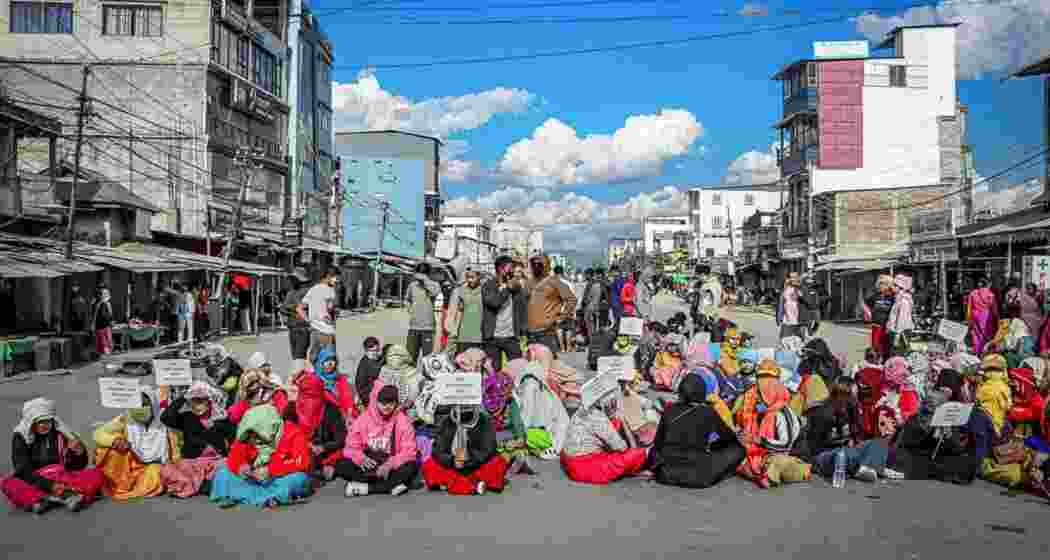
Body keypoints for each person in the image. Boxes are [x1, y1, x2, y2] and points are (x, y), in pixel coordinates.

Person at [3, 398, 103, 514]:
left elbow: (77, 466)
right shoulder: (20, 437)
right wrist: (50, 486)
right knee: (7, 482)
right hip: (36, 480)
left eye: (47, 421)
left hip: (62, 476)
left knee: (96, 473)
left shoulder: (61, 433)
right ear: (31, 422)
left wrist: (79, 453)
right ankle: (65, 496)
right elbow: (22, 469)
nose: (44, 425)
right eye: (40, 422)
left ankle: (48, 499)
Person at [650, 371, 745, 489]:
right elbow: (728, 437)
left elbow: (658, 443)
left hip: (665, 473)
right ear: (702, 392)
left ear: (681, 392)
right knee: (738, 450)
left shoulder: (670, 411)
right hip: (698, 476)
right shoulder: (708, 412)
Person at [209, 404, 312, 508]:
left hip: (278, 479)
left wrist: (270, 470)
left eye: (257, 434)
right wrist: (242, 467)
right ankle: (268, 498)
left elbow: (301, 462)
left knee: (298, 479)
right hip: (253, 479)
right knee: (223, 474)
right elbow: (235, 455)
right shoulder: (248, 433)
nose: (254, 439)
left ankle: (244, 496)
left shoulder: (294, 433)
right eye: (252, 435)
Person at [736, 359, 812, 488]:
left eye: (761, 393)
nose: (757, 396)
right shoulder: (761, 409)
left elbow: (785, 444)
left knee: (776, 462)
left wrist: (757, 440)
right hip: (767, 452)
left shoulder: (781, 413)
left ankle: (767, 473)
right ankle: (764, 472)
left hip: (787, 454)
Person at [94, 386, 178, 500]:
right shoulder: (126, 418)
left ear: (152, 404)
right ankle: (117, 485)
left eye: (143, 405)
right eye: (135, 405)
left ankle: (133, 490)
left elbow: (176, 449)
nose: (139, 409)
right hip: (131, 465)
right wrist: (115, 440)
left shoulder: (164, 419)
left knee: (156, 474)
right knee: (108, 448)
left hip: (154, 466)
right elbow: (98, 433)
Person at [336, 384, 418, 497]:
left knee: (411, 467)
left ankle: (366, 488)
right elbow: (350, 447)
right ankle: (391, 486)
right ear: (376, 401)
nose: (387, 406)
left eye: (391, 403)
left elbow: (409, 452)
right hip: (370, 462)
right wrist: (360, 458)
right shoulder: (363, 419)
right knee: (342, 465)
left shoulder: (403, 421)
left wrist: (390, 464)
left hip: (390, 463)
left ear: (396, 403)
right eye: (382, 402)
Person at [159, 381, 235, 498]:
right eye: (194, 400)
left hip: (215, 461)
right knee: (167, 471)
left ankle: (203, 484)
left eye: (201, 400)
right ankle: (200, 485)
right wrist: (183, 397)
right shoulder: (187, 418)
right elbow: (165, 417)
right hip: (192, 462)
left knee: (227, 469)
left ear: (208, 401)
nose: (197, 404)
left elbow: (232, 438)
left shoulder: (220, 417)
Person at [561, 391, 650, 485]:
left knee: (615, 423)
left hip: (568, 458)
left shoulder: (582, 409)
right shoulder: (599, 418)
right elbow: (621, 447)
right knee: (637, 454)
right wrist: (623, 421)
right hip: (582, 466)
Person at [423, 405, 508, 495]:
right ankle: (475, 484)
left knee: (498, 462)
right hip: (453, 466)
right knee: (429, 465)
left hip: (476, 466)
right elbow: (438, 450)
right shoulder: (446, 421)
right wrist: (452, 461)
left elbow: (488, 449)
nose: (463, 406)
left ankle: (457, 484)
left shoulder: (484, 420)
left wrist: (469, 459)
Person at [482, 255, 527, 371]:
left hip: (511, 337)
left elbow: (522, 308)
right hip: (493, 337)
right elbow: (494, 302)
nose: (512, 271)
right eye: (510, 268)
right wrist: (507, 288)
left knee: (518, 370)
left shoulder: (516, 286)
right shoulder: (488, 285)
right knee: (493, 372)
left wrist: (523, 330)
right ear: (501, 270)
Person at [526, 255, 578, 355]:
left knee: (548, 365)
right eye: (533, 264)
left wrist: (561, 317)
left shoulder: (554, 282)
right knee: (532, 366)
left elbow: (572, 300)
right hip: (531, 333)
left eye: (539, 264)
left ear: (547, 266)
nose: (536, 266)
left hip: (546, 333)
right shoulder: (528, 283)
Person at [299, 268, 340, 362]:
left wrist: (309, 320)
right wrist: (334, 313)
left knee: (314, 358)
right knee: (329, 359)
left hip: (314, 330)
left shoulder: (312, 289)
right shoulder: (330, 290)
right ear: (329, 277)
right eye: (336, 278)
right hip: (327, 330)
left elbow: (300, 308)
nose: (337, 281)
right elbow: (330, 309)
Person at [310, 345, 359, 421]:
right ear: (320, 362)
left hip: (345, 420)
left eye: (333, 360)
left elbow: (349, 402)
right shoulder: (313, 382)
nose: (330, 363)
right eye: (326, 360)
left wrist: (350, 414)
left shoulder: (341, 380)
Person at [405, 262, 441, 364]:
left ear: (428, 274)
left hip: (428, 328)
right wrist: (410, 310)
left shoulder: (435, 285)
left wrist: (425, 281)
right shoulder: (412, 285)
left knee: (428, 359)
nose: (420, 276)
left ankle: (428, 379)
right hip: (413, 327)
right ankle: (411, 379)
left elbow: (436, 293)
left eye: (423, 273)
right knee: (410, 358)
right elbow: (407, 299)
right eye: (419, 273)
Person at [448, 268, 485, 356]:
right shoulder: (461, 291)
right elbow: (457, 311)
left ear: (479, 277)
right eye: (467, 277)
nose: (469, 280)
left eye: (472, 277)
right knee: (462, 364)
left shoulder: (485, 291)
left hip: (479, 336)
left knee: (477, 364)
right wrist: (454, 331)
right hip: (463, 336)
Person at [283, 268, 313, 370]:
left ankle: (300, 376)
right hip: (293, 328)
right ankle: (300, 375)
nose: (291, 281)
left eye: (294, 279)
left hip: (303, 329)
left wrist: (292, 308)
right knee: (296, 356)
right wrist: (293, 308)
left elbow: (305, 307)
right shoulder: (291, 292)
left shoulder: (307, 291)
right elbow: (284, 308)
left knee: (299, 356)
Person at [863, 275, 896, 359]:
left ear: (888, 285)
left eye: (882, 283)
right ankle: (875, 363)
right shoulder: (876, 295)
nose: (879, 285)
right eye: (879, 283)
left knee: (886, 347)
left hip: (887, 326)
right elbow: (865, 304)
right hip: (876, 325)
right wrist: (868, 312)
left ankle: (885, 363)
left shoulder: (893, 297)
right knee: (875, 347)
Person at [967, 276, 999, 355]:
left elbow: (969, 307)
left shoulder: (973, 293)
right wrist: (997, 317)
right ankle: (985, 352)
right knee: (987, 334)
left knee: (976, 335)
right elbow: (994, 309)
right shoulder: (990, 294)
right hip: (987, 316)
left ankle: (977, 351)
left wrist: (969, 318)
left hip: (975, 316)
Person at [886, 273, 916, 352]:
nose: (893, 287)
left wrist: (897, 335)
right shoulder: (898, 299)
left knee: (899, 353)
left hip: (901, 333)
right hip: (899, 332)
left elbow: (902, 320)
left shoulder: (903, 301)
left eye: (895, 285)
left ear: (901, 288)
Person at [553, 266, 578, 353]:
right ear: (562, 273)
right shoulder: (569, 284)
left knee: (559, 328)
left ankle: (562, 348)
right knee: (568, 328)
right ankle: (568, 347)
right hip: (568, 309)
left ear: (554, 273)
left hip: (558, 309)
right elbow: (574, 297)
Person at [355, 336, 384, 408]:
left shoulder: (381, 359)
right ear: (366, 351)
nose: (375, 353)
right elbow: (361, 388)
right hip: (370, 398)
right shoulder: (363, 366)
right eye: (372, 351)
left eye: (377, 350)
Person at [776, 272, 805, 340]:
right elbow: (780, 305)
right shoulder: (784, 290)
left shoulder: (801, 289)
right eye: (791, 277)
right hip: (786, 321)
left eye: (795, 277)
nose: (793, 279)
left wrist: (799, 288)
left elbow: (807, 301)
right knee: (784, 342)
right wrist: (779, 317)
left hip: (799, 322)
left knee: (799, 344)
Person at [92, 287, 114, 356]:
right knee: (102, 342)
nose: (105, 295)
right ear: (100, 295)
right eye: (104, 294)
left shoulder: (108, 304)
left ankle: (107, 353)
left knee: (109, 341)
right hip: (99, 326)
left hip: (107, 326)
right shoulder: (98, 304)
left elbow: (110, 315)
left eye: (107, 294)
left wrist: (111, 322)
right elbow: (95, 315)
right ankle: (104, 354)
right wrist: (93, 324)